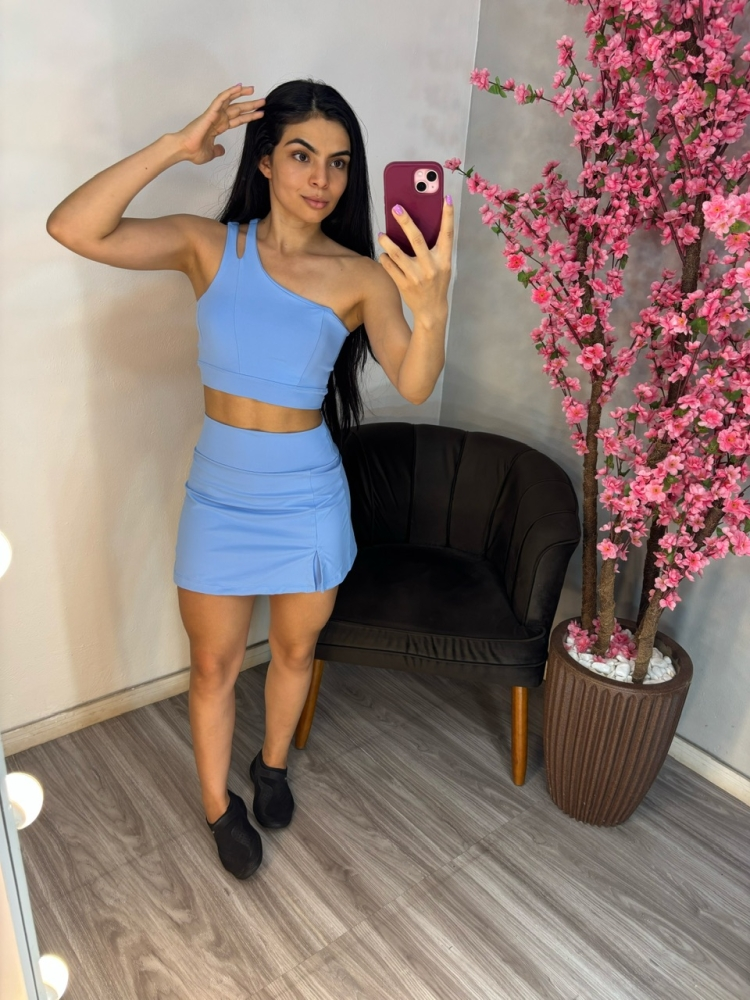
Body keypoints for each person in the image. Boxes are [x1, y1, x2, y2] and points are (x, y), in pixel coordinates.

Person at [46, 78, 453, 880]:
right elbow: (74, 227)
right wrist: (177, 146)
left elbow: (414, 384)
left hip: (308, 496)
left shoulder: (362, 276)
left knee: (295, 651)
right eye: (301, 155)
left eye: (339, 162)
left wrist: (432, 310)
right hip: (221, 497)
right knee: (213, 666)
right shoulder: (210, 247)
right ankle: (216, 806)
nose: (321, 178)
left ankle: (271, 767)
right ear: (263, 161)